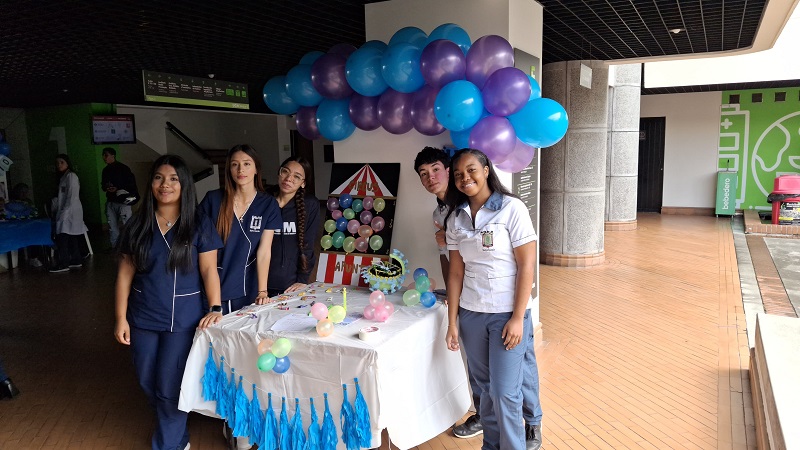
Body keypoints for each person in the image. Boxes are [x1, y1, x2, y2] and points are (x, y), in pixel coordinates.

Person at [415, 147, 542, 448]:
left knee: (504, 393)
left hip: (505, 315)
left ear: (486, 170)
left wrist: (516, 318)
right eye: (458, 174)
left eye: (471, 170)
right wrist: (453, 322)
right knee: (485, 390)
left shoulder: (512, 209)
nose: (464, 178)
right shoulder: (455, 219)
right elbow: (456, 273)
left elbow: (527, 265)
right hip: (472, 315)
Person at [114, 154, 223, 450]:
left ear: (185, 184)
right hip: (142, 318)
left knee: (168, 386)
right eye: (159, 178)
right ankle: (177, 431)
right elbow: (125, 276)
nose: (166, 185)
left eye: (174, 179)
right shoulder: (137, 225)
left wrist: (215, 308)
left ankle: (171, 444)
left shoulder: (198, 224)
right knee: (148, 382)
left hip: (183, 320)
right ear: (151, 184)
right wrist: (121, 318)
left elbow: (209, 270)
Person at [199, 144, 282, 315]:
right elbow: (200, 246)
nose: (240, 169)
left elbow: (264, 251)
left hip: (247, 286)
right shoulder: (213, 200)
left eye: (246, 164)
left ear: (256, 169)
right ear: (229, 169)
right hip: (213, 284)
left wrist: (262, 291)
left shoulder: (268, 204)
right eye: (234, 164)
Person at [266, 156, 321, 297]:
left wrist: (303, 279)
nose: (289, 179)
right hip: (259, 281)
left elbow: (308, 244)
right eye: (285, 172)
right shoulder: (263, 201)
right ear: (279, 173)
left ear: (303, 183)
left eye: (297, 177)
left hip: (289, 283)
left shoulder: (310, 205)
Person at [50, 154, 88, 273]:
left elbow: (71, 197)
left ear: (67, 163)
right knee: (71, 236)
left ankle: (64, 263)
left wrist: (64, 214)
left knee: (63, 238)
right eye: (57, 163)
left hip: (70, 212)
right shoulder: (63, 177)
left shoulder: (71, 176)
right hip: (67, 211)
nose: (59, 165)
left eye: (62, 162)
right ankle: (76, 260)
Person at [102, 147, 139, 249]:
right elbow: (103, 185)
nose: (104, 158)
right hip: (111, 201)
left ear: (112, 155)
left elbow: (130, 185)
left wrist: (117, 188)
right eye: (104, 155)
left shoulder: (123, 169)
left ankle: (130, 247)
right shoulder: (105, 170)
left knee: (127, 225)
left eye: (106, 155)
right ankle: (116, 247)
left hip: (123, 201)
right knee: (112, 227)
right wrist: (108, 188)